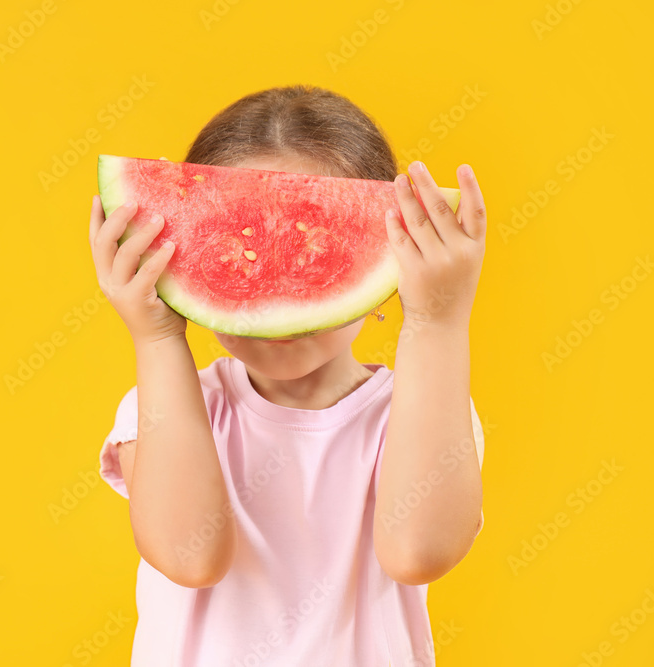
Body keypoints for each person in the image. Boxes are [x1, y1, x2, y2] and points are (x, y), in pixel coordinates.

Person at [88, 84, 487, 666]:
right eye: (240, 249)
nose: (279, 290)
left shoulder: (423, 411)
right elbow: (190, 557)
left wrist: (438, 322)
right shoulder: (168, 406)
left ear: (395, 261)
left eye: (314, 246)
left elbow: (418, 552)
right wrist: (156, 336)